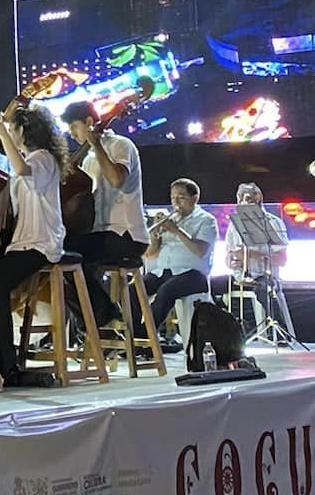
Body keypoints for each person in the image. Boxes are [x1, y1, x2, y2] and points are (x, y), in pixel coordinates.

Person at [0, 107, 68, 386]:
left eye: (13, 129)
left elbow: (21, 169)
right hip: (22, 242)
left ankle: (7, 364)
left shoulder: (44, 159)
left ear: (23, 131)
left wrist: (3, 136)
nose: (10, 133)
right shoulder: (28, 159)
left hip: (42, 242)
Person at [61, 101, 147, 329]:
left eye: (74, 127)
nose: (73, 134)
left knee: (63, 255)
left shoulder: (121, 145)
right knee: (57, 257)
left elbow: (117, 179)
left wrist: (95, 144)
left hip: (125, 235)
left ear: (89, 122)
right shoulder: (89, 158)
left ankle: (105, 318)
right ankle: (98, 324)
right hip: (101, 234)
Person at [142, 179, 219, 349]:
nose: (176, 202)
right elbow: (150, 253)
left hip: (193, 274)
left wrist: (176, 231)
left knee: (166, 291)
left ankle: (145, 338)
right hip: (164, 271)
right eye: (173, 198)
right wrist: (155, 234)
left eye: (181, 197)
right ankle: (133, 337)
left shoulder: (206, 220)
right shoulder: (172, 219)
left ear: (194, 198)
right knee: (135, 289)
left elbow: (200, 250)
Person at [223, 183, 296, 336]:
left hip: (265, 274)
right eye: (240, 198)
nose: (242, 202)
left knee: (263, 289)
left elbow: (282, 260)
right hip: (239, 275)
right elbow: (228, 256)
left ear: (258, 199)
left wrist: (250, 255)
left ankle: (281, 332)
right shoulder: (234, 225)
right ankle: (227, 336)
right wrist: (232, 261)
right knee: (208, 287)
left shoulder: (273, 222)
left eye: (247, 198)